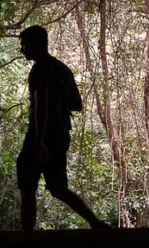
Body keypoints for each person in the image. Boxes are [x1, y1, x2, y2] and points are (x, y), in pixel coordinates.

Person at [17, 25, 110, 230]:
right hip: (60, 135)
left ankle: (25, 236)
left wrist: (40, 141)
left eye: (24, 44)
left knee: (27, 182)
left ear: (37, 44)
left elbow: (41, 106)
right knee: (58, 188)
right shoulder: (63, 69)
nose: (22, 49)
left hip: (40, 136)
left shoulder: (39, 70)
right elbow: (77, 104)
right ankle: (95, 223)